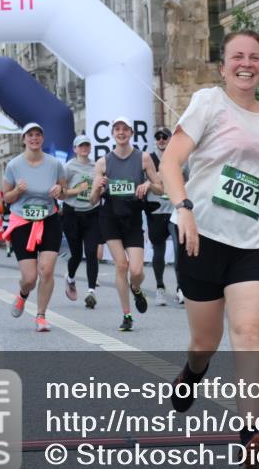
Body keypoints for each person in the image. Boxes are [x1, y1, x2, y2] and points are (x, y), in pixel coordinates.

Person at [160, 29, 259, 469]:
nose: (247, 63)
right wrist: (182, 209)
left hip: (253, 243)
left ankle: (251, 436)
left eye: (255, 57)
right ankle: (192, 372)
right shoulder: (209, 102)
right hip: (201, 237)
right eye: (237, 57)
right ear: (222, 67)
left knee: (248, 332)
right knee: (205, 343)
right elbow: (170, 161)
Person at [90, 117, 164, 331]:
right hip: (110, 216)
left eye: (125, 129)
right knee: (121, 265)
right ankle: (127, 314)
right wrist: (98, 187)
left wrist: (149, 184)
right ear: (112, 133)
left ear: (131, 133)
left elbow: (161, 188)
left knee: (137, 270)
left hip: (132, 216)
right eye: (117, 129)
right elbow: (93, 200)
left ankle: (136, 287)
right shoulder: (103, 162)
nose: (121, 133)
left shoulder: (144, 158)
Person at [2, 123, 67, 331]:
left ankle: (41, 316)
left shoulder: (54, 164)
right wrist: (18, 191)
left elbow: (64, 191)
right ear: (24, 139)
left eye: (38, 135)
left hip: (49, 219)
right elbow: (6, 198)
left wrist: (60, 190)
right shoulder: (13, 165)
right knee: (30, 278)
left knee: (46, 270)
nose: (34, 138)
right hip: (23, 221)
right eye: (30, 135)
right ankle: (23, 294)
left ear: (42, 139)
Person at [61, 135, 102, 307]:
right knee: (77, 254)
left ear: (90, 148)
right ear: (75, 149)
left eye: (86, 145)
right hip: (72, 213)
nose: (84, 148)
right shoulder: (68, 167)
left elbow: (100, 188)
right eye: (80, 146)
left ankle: (91, 292)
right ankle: (70, 277)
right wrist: (77, 190)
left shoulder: (96, 167)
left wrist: (99, 191)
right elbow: (61, 193)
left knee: (92, 253)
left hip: (92, 212)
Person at [144, 126, 178, 307]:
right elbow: (142, 181)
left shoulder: (178, 158)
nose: (161, 140)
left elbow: (189, 179)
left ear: (170, 139)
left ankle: (181, 288)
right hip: (156, 210)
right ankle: (160, 287)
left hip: (175, 210)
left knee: (180, 251)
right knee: (159, 251)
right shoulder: (149, 159)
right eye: (158, 137)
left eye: (165, 137)